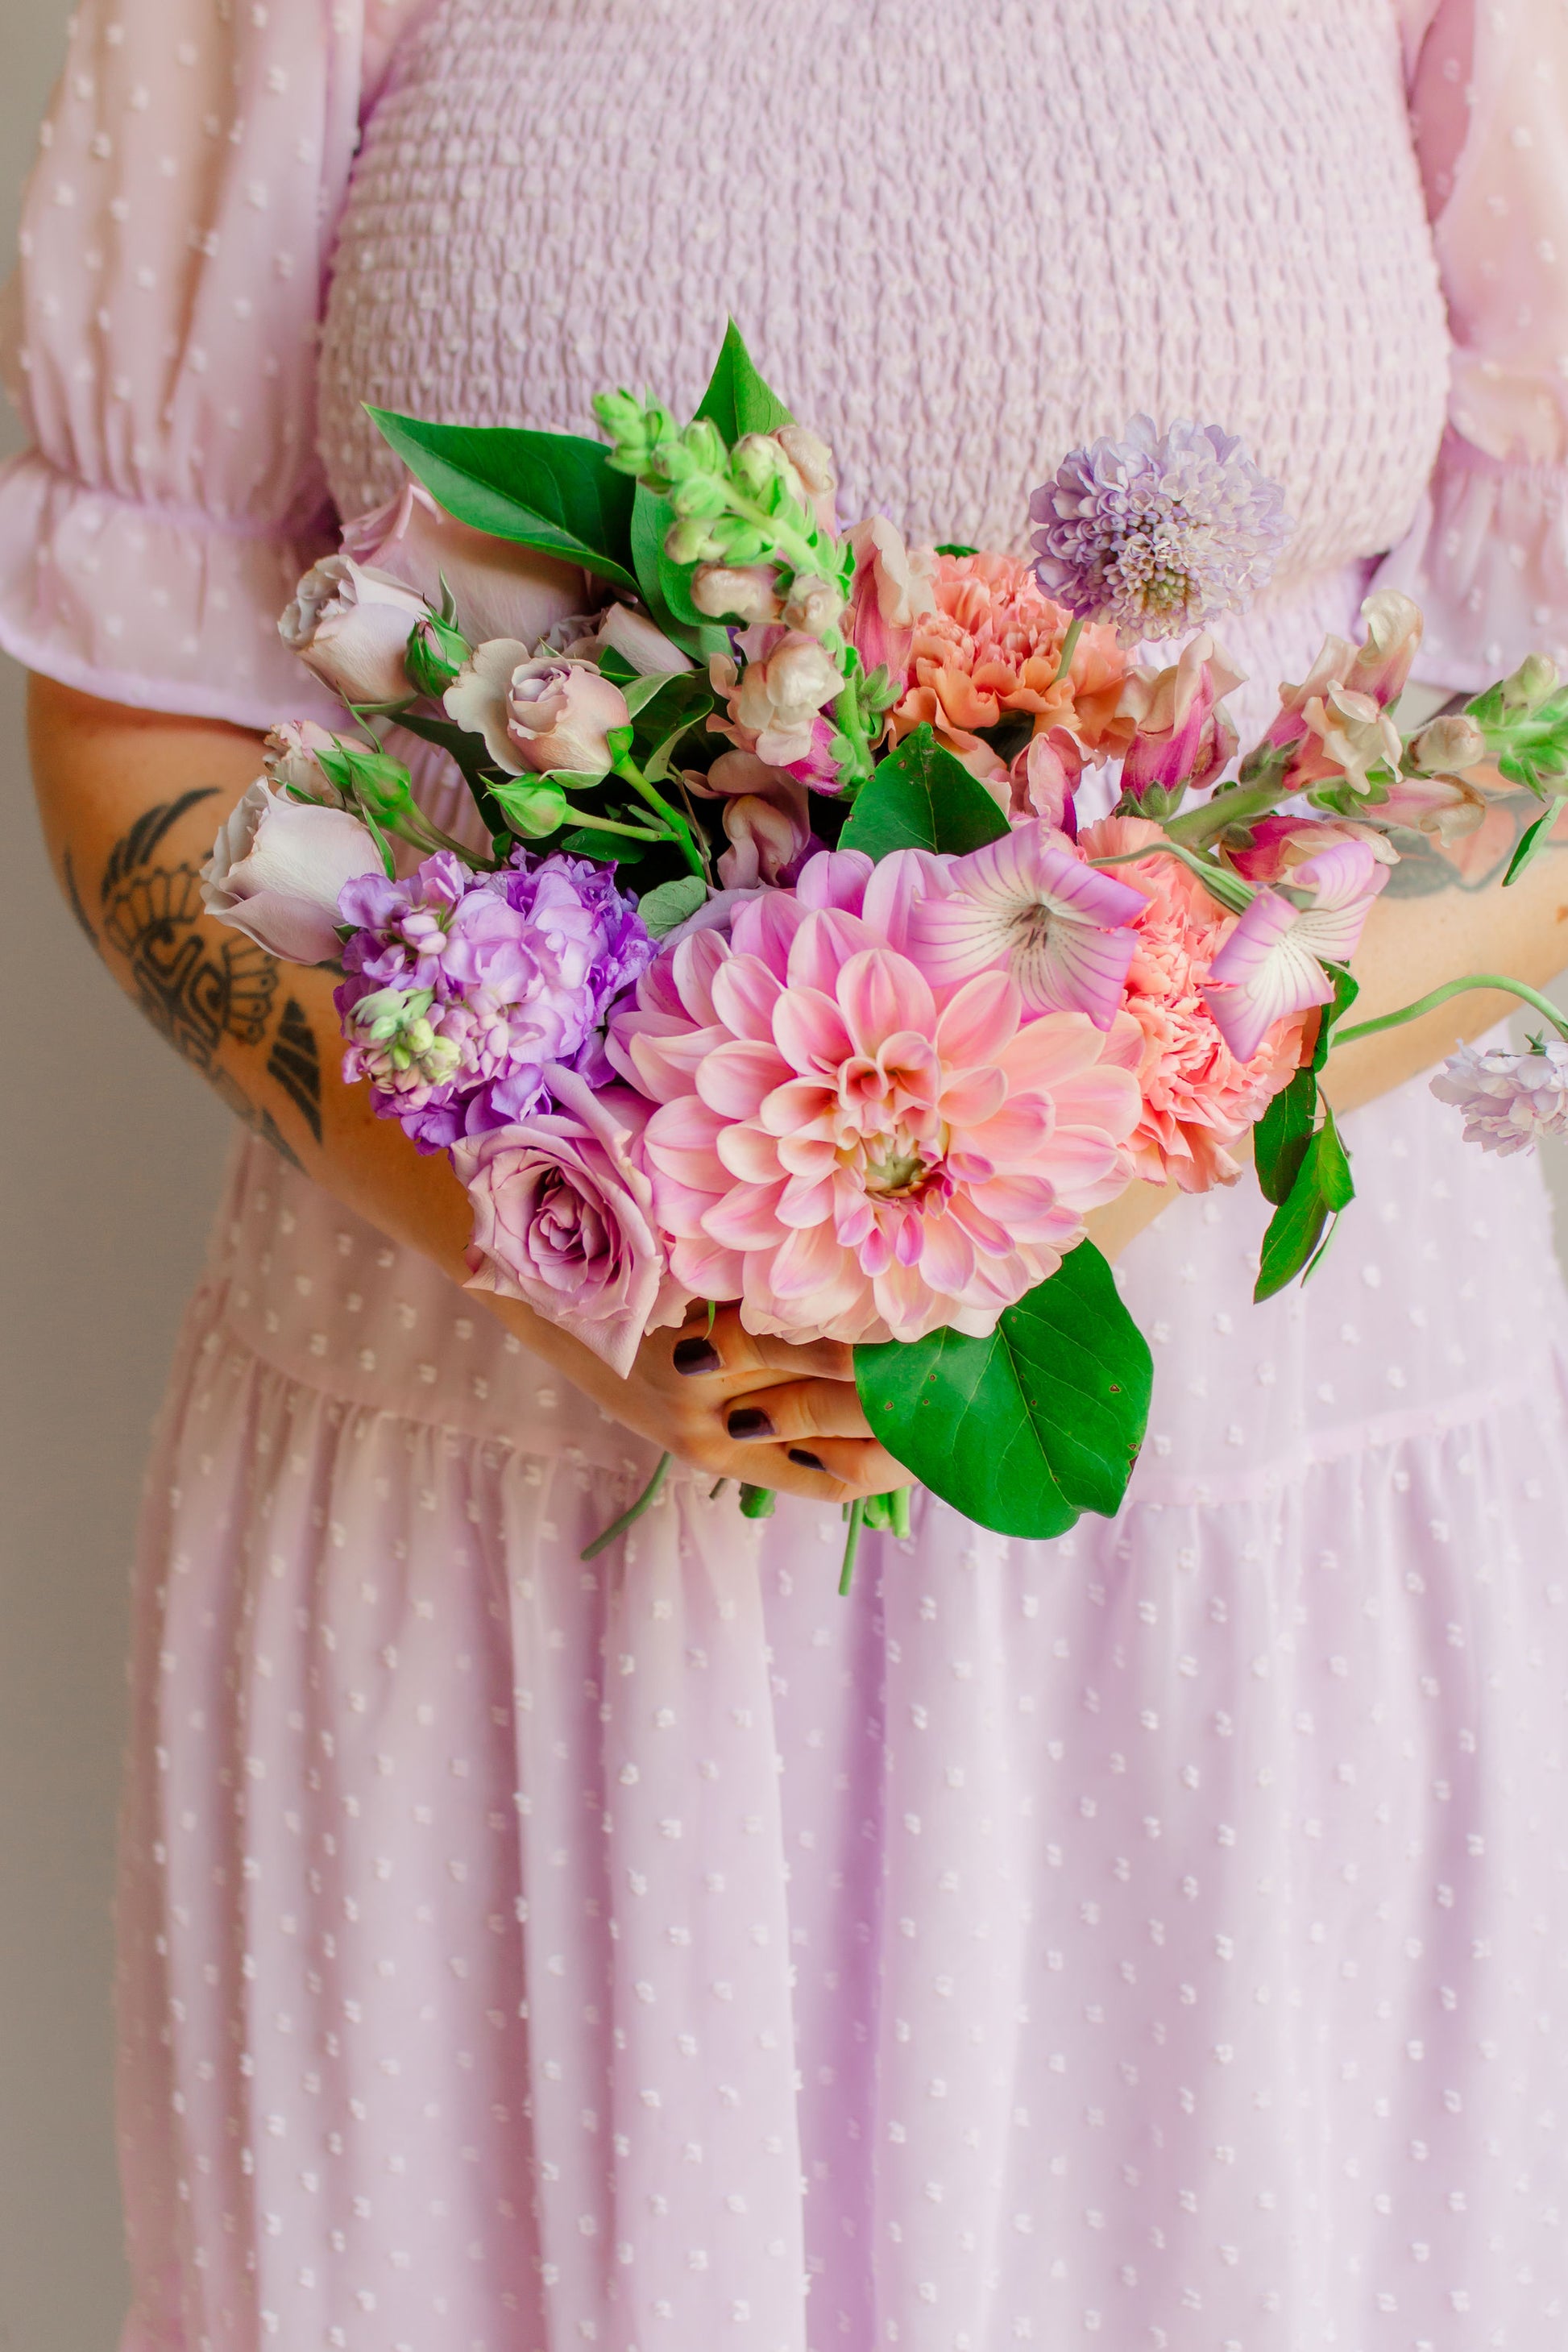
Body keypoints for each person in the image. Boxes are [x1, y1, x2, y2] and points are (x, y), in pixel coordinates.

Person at [7, 0, 1568, 2340]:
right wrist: (573, 1227)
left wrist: (1119, 1124)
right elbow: (131, 693)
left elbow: (1536, 686)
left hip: (1252, 1528)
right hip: (496, 1509)